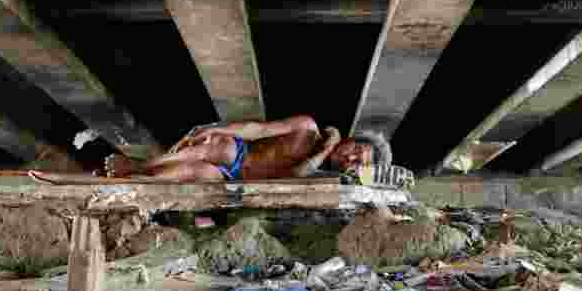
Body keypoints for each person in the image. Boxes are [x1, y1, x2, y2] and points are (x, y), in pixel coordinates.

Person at [103, 115, 391, 182]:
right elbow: (258, 129)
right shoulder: (307, 126)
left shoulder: (320, 176)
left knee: (196, 171)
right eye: (356, 150)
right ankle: (138, 167)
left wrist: (326, 149)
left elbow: (301, 170)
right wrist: (218, 128)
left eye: (356, 163)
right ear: (353, 139)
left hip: (237, 181)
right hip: (239, 154)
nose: (349, 158)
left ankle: (141, 175)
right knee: (212, 145)